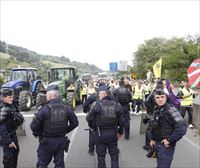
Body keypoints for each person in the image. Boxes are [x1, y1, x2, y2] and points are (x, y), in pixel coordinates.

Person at [30, 85, 79, 168]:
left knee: (42, 164)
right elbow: (75, 123)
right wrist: (65, 131)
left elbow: (34, 127)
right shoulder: (67, 107)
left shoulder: (44, 109)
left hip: (46, 141)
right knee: (59, 164)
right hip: (61, 140)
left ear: (49, 96)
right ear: (57, 95)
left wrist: (40, 134)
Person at [86, 85, 125, 168]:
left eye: (99, 93)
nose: (98, 95)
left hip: (100, 133)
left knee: (101, 156)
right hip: (113, 134)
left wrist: (93, 127)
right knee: (114, 156)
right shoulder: (117, 105)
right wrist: (120, 132)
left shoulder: (96, 105)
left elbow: (89, 118)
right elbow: (122, 121)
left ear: (103, 94)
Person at [148, 88, 187, 168]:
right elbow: (152, 125)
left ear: (166, 98)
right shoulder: (156, 109)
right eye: (158, 98)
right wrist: (152, 138)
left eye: (162, 97)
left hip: (166, 146)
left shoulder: (171, 110)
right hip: (156, 143)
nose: (160, 99)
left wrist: (169, 140)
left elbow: (182, 128)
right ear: (154, 99)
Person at [0, 88, 24, 168]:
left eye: (12, 96)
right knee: (8, 158)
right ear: (4, 97)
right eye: (9, 97)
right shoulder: (3, 109)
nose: (12, 98)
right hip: (7, 136)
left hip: (13, 133)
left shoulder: (11, 104)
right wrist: (9, 141)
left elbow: (17, 114)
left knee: (15, 152)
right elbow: (2, 129)